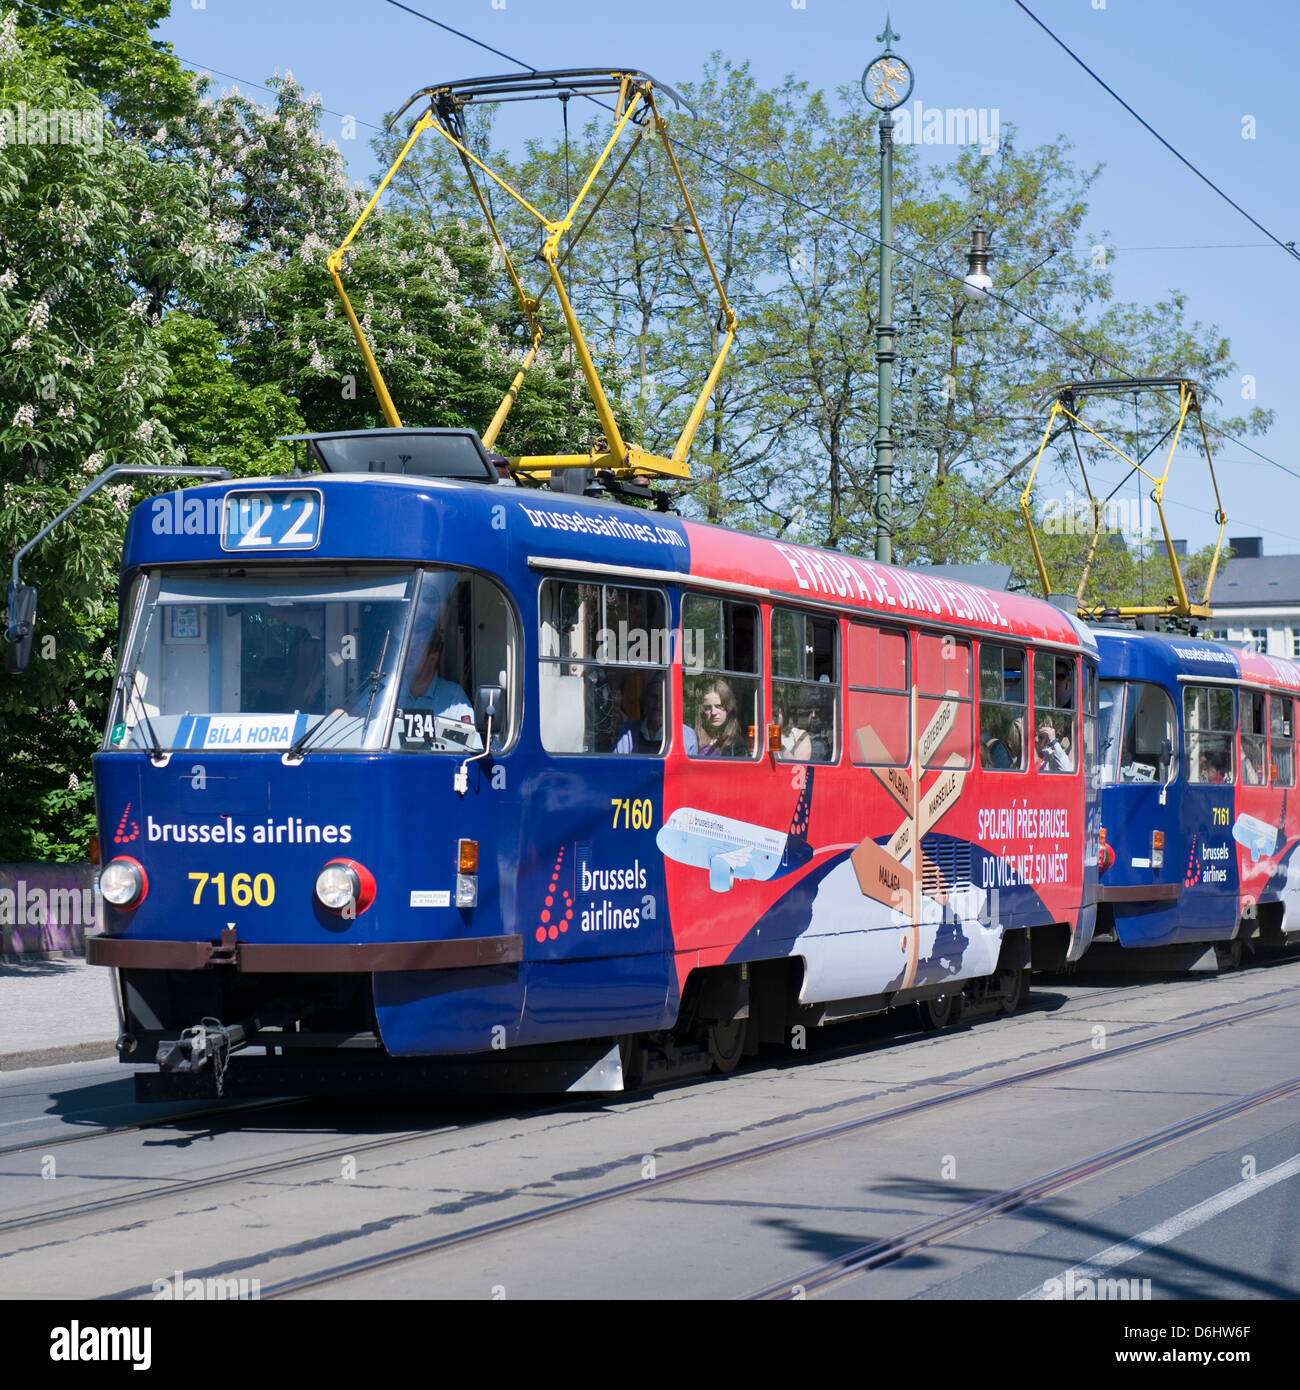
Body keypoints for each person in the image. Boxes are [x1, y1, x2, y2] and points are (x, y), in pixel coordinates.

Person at [397, 605, 482, 750]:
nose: (406, 656)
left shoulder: (453, 699)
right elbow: (355, 713)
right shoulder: (387, 692)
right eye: (405, 649)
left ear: (433, 656)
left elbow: (472, 750)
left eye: (415, 649)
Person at [615, 674, 697, 755]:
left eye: (664, 698)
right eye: (654, 697)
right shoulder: (625, 733)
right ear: (646, 699)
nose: (658, 704)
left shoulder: (687, 736)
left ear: (673, 703)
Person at [695, 678, 749, 757]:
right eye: (708, 708)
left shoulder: (737, 745)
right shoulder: (694, 738)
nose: (713, 712)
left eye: (719, 706)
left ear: (729, 708)